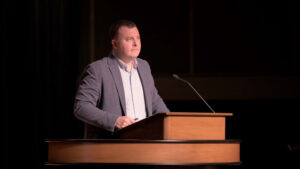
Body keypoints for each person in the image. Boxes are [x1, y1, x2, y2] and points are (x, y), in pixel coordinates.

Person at [73, 20, 170, 138]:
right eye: (129, 39)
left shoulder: (144, 67)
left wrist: (170, 120)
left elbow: (154, 101)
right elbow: (82, 107)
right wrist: (115, 121)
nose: (136, 43)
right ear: (115, 44)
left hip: (146, 143)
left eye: (138, 38)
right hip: (111, 147)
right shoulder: (97, 69)